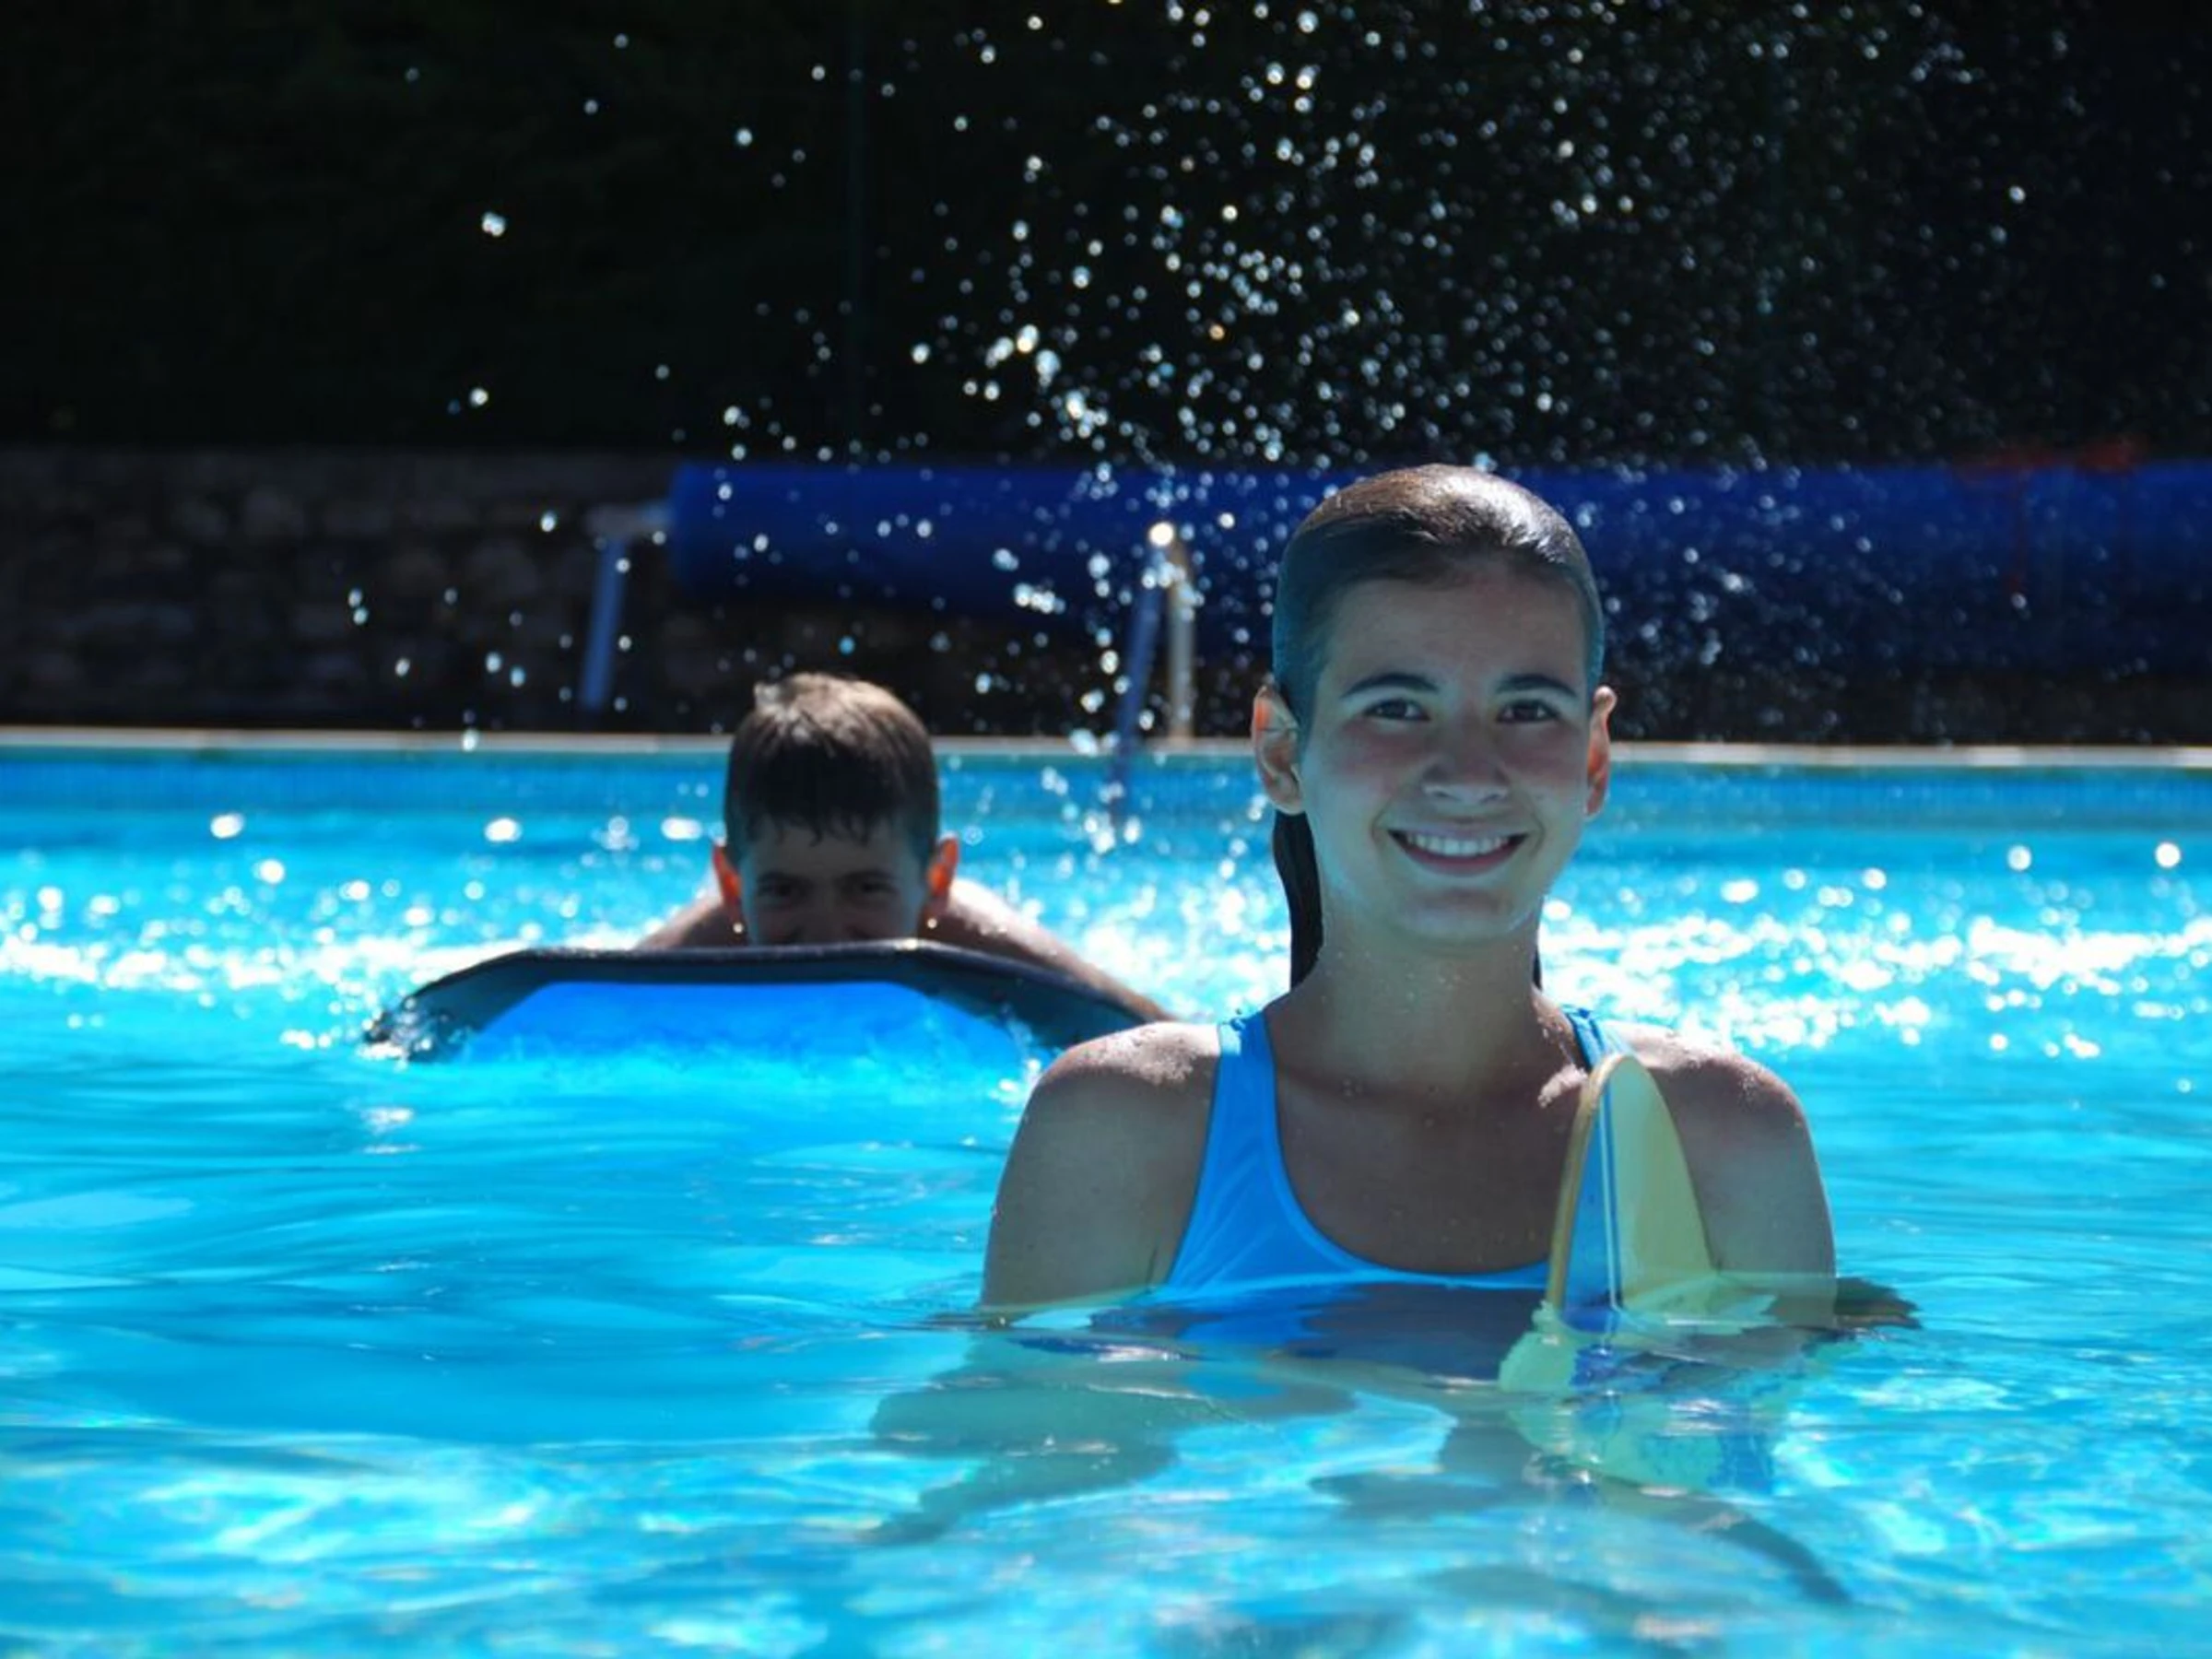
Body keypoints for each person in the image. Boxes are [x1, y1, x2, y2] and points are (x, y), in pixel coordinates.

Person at [982, 465, 1836, 1315]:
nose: (1468, 774)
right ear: (1282, 753)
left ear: (1593, 757)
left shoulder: (1723, 1138)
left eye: (1526, 710)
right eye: (1396, 708)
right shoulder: (1127, 1132)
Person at [639, 672, 1167, 1023]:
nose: (826, 935)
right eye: (784, 891)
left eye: (866, 888)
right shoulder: (678, 961)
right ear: (732, 887)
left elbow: (1159, 1038)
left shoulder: (991, 954)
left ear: (936, 881)